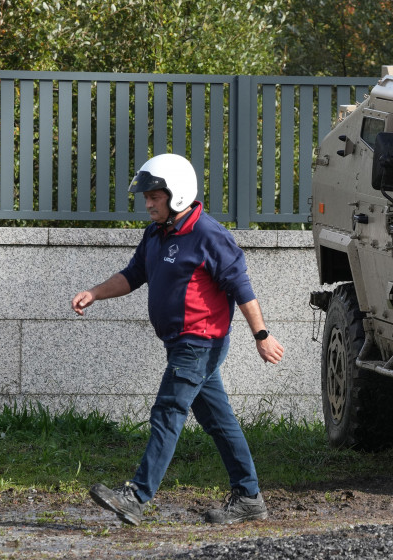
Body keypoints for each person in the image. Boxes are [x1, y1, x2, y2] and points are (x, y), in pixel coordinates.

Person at [71, 153, 285, 526]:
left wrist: (261, 335)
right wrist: (95, 292)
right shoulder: (157, 233)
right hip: (181, 343)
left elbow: (242, 289)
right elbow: (133, 274)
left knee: (168, 412)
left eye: (155, 196)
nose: (149, 203)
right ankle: (249, 497)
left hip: (199, 342)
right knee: (220, 421)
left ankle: (136, 497)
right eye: (147, 197)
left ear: (178, 195)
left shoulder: (209, 234)